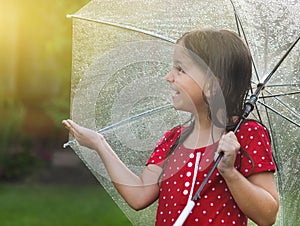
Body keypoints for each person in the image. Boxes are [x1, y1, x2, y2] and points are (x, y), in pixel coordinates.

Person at [62, 29, 279, 226]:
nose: (169, 76)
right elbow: (139, 196)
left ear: (213, 85)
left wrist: (229, 172)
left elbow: (267, 215)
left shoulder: (245, 136)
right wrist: (99, 144)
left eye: (180, 69)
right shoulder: (174, 139)